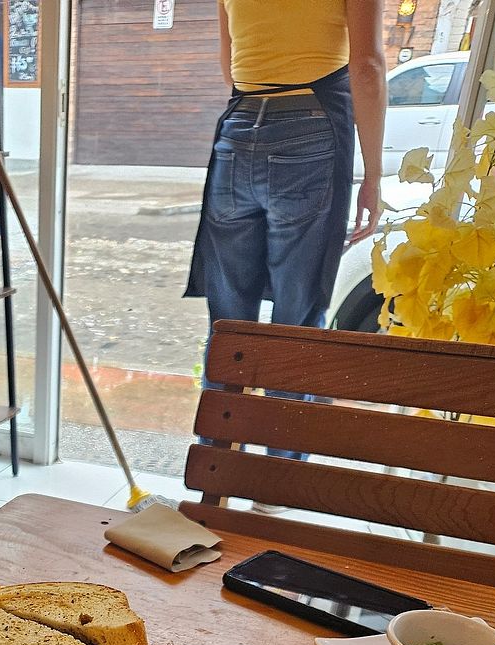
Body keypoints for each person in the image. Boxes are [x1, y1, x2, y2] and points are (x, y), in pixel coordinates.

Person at [185, 0, 387, 462]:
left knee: (229, 322)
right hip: (312, 132)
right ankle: (279, 476)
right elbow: (368, 68)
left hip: (238, 128)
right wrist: (373, 176)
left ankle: (217, 464)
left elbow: (231, 64)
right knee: (297, 319)